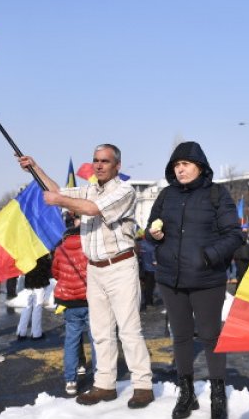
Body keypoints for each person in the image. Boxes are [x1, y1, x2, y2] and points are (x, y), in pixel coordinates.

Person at [19, 144, 154, 409]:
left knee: (129, 330)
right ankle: (105, 384)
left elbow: (92, 209)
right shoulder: (90, 188)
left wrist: (59, 201)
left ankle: (143, 385)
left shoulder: (124, 191)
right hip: (95, 268)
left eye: (105, 161)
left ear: (117, 165)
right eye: (95, 160)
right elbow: (56, 192)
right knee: (100, 331)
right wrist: (35, 168)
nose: (99, 165)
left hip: (120, 266)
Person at [146, 141, 243, 419]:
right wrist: (154, 237)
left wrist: (208, 257)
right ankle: (186, 393)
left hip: (206, 280)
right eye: (176, 165)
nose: (180, 169)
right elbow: (150, 229)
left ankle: (217, 395)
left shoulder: (217, 194)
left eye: (185, 164)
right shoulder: (166, 195)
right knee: (182, 338)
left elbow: (234, 234)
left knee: (212, 338)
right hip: (170, 280)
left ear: (199, 166)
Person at [53, 217, 95, 396]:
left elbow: (55, 272)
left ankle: (71, 380)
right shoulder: (88, 247)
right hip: (90, 299)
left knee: (71, 341)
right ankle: (101, 378)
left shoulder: (60, 250)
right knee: (97, 340)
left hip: (69, 302)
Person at [17, 253, 51, 341]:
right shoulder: (42, 253)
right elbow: (47, 269)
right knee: (37, 308)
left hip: (29, 282)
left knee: (27, 307)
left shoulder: (27, 252)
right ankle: (36, 333)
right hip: (40, 283)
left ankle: (21, 332)